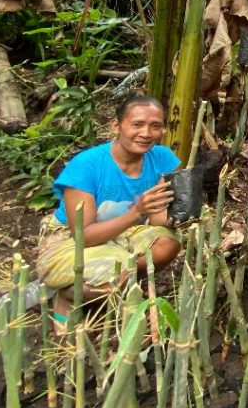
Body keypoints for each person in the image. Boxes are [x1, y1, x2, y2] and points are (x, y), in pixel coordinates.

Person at [37, 95, 183, 326]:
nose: (146, 133)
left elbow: (157, 219)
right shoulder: (86, 164)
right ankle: (67, 296)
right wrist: (136, 212)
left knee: (168, 243)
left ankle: (107, 286)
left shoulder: (163, 158)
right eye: (137, 124)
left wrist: (183, 215)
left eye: (155, 126)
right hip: (68, 240)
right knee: (122, 268)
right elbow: (82, 236)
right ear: (116, 125)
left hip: (123, 233)